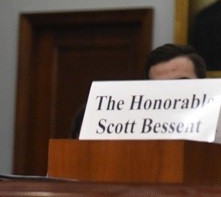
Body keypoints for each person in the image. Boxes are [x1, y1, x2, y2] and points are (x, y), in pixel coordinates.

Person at [70, 43, 207, 137]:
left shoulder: (218, 129)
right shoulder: (130, 132)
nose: (171, 95)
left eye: (181, 84)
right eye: (160, 88)